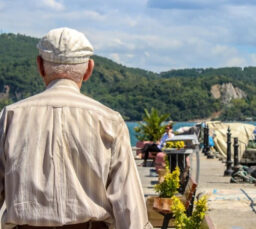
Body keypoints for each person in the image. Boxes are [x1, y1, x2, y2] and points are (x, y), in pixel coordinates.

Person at [0, 28, 152, 229]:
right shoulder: (108, 120)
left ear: (40, 66)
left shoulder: (10, 117)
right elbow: (128, 205)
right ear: (89, 69)